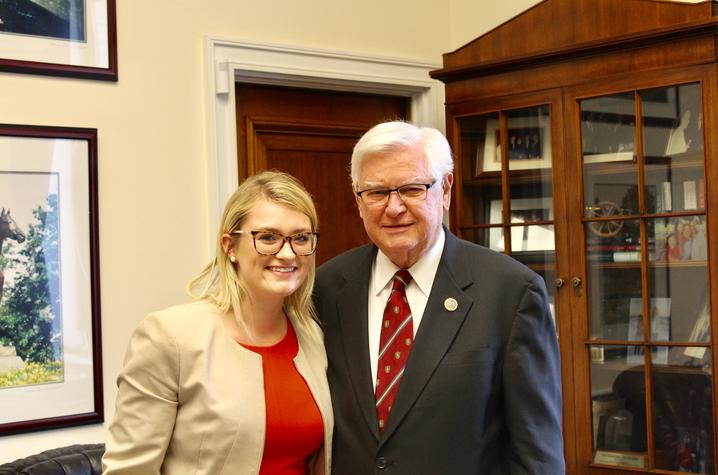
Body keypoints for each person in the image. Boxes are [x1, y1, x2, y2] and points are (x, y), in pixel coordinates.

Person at [314, 121, 565, 474]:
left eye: (412, 189)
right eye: (375, 192)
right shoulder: (327, 287)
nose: (394, 207)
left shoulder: (510, 293)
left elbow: (537, 455)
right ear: (358, 200)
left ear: (445, 190)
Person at [103, 171, 333, 474]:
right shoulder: (170, 337)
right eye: (267, 237)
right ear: (230, 247)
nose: (288, 253)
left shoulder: (311, 335)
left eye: (301, 238)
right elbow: (128, 470)